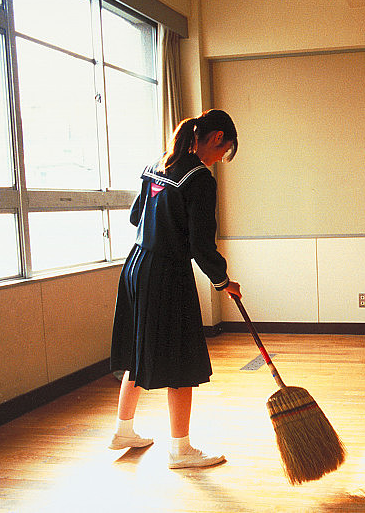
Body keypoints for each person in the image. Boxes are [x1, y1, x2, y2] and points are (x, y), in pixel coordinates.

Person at [108, 109, 242, 469]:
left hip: (136, 265)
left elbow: (136, 217)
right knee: (181, 359)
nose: (220, 161)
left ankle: (123, 430)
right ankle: (180, 450)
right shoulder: (199, 178)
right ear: (217, 138)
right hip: (167, 272)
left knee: (139, 350)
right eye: (224, 151)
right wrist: (223, 281)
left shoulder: (158, 165)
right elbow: (201, 245)